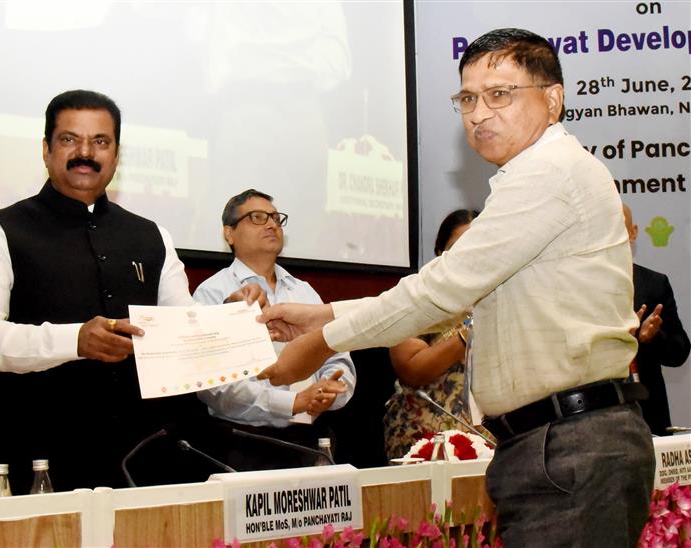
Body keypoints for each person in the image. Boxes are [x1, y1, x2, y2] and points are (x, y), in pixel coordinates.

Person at [257, 28, 655, 546]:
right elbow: (452, 292)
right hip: (558, 444)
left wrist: (321, 342)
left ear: (553, 99)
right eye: (467, 98)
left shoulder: (550, 172)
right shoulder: (536, 176)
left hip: (572, 446)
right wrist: (324, 313)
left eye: (500, 95)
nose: (479, 113)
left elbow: (440, 291)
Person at [0, 90, 263, 492]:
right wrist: (76, 340)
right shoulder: (2, 230)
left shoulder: (153, 236)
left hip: (146, 457)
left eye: (101, 142)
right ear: (46, 150)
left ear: (116, 156)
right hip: (43, 456)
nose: (86, 152)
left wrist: (228, 317)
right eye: (69, 139)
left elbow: (183, 331)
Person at [193, 189, 355, 470]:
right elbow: (214, 388)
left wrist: (330, 392)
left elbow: (338, 356)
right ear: (228, 233)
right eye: (257, 217)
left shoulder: (304, 292)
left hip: (311, 442)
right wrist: (293, 402)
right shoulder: (211, 293)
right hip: (243, 445)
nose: (271, 224)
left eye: (276, 218)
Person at [384, 209, 482, 460]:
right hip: (427, 438)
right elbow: (412, 369)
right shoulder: (418, 296)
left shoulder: (502, 294)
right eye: (458, 248)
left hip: (490, 440)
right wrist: (468, 333)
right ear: (440, 253)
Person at [623, 203, 690, 435]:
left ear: (633, 232)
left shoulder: (654, 283)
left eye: (619, 228)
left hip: (650, 414)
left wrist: (651, 337)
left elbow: (679, 353)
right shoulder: (579, 285)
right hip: (597, 415)